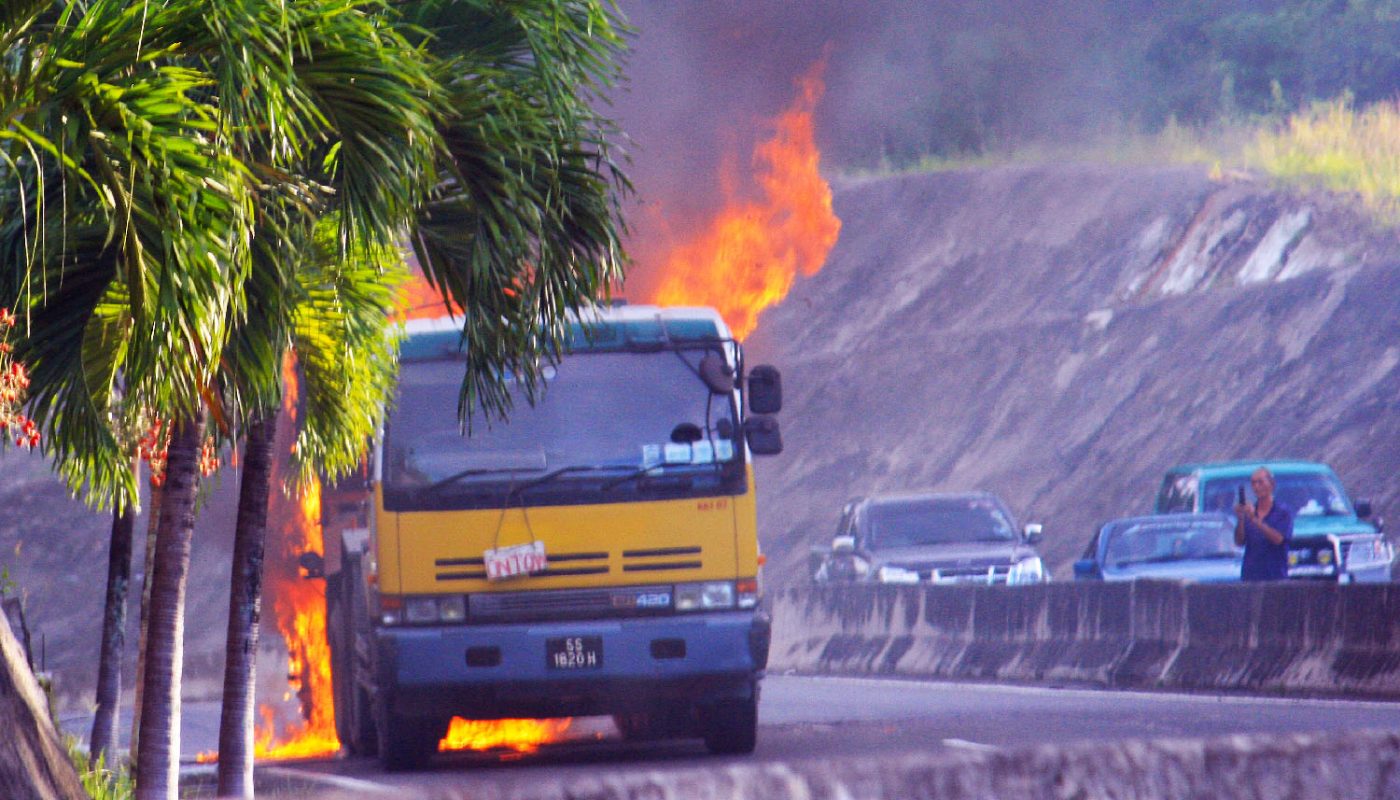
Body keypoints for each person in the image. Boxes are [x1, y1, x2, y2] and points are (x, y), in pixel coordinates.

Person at [1234, 467, 1293, 581]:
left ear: (1271, 484)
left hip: (1275, 577)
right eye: (1253, 483)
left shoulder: (1283, 512)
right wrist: (1241, 519)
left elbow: (1278, 539)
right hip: (1251, 577)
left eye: (1260, 482)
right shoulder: (1250, 511)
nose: (1257, 487)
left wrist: (1255, 520)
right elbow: (1239, 542)